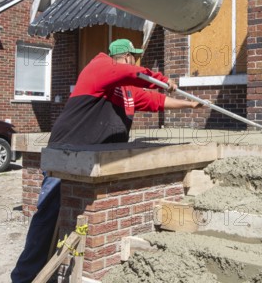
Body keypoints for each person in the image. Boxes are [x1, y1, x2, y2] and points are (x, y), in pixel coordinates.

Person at [11, 38, 201, 282]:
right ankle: (24, 277)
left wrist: (189, 104)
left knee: (77, 219)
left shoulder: (126, 93)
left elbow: (156, 100)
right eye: (133, 56)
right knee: (48, 216)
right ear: (126, 56)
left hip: (94, 162)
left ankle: (57, 270)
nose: (134, 60)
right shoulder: (98, 68)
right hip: (66, 156)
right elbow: (134, 74)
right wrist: (162, 80)